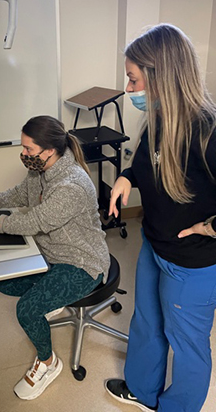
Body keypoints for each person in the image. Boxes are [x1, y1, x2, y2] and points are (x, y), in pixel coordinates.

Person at [0, 115, 110, 400]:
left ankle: (48, 363)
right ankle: (51, 298)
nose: (23, 154)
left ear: (49, 150)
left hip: (82, 263)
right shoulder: (41, 168)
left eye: (28, 149)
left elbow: (34, 222)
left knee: (27, 310)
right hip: (49, 254)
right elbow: (20, 194)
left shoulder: (72, 185)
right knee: (0, 281)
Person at [105, 24, 216, 412]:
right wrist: (125, 177)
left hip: (192, 263)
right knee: (147, 323)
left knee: (188, 347)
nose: (129, 89)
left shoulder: (209, 131)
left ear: (160, 75)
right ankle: (142, 390)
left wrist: (210, 226)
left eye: (134, 80)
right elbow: (146, 166)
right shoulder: (160, 119)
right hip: (154, 244)